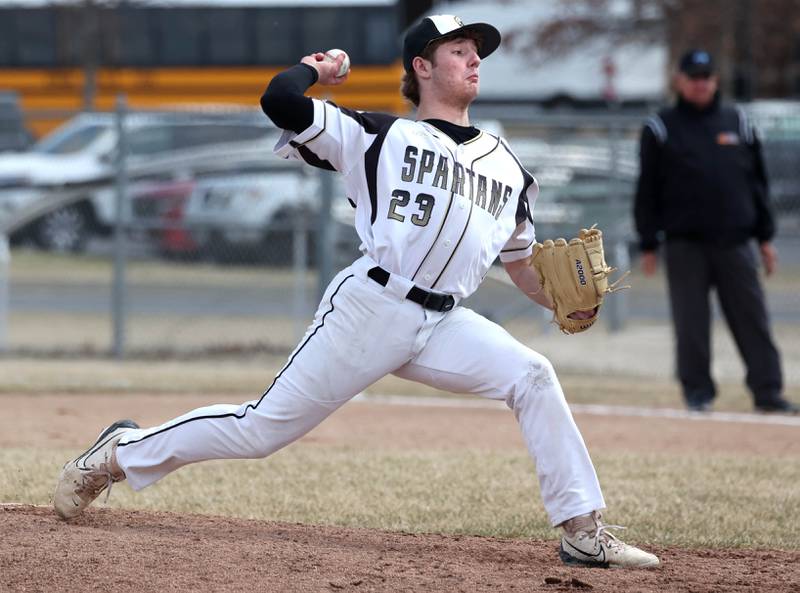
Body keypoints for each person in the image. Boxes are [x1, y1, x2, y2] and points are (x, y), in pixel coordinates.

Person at [54, 14, 659, 569]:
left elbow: (523, 266)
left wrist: (564, 301)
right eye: (458, 50)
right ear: (421, 67)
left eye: (478, 52)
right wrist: (318, 70)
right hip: (371, 306)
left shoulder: (510, 170)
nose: (474, 61)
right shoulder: (376, 137)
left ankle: (581, 528)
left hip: (445, 322)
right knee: (259, 430)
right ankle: (116, 455)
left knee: (533, 375)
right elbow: (280, 100)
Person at [634, 49, 797, 415]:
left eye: (707, 76)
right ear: (680, 81)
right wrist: (647, 242)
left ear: (716, 80)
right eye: (694, 77)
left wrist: (765, 237)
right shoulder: (660, 128)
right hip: (684, 243)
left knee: (752, 318)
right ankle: (698, 392)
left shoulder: (738, 122)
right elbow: (647, 189)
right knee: (691, 323)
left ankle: (768, 391)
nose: (701, 83)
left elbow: (757, 183)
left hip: (735, 241)